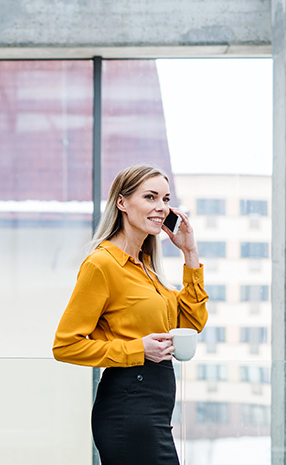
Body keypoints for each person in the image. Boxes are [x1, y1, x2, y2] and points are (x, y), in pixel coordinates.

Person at [52, 164, 208, 465]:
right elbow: (65, 345)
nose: (161, 207)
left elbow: (191, 324)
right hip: (128, 406)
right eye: (150, 197)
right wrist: (139, 349)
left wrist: (190, 254)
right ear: (122, 203)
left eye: (165, 199)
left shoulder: (148, 268)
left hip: (155, 409)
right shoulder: (102, 265)